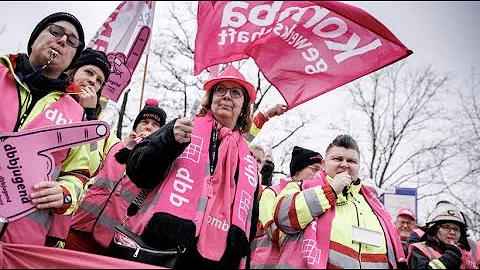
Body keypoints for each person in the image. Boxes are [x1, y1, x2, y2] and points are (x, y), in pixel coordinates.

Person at [125, 65, 260, 269]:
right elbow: (137, 171)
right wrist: (169, 141)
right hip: (165, 251)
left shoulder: (248, 162)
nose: (226, 97)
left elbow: (249, 225)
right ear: (210, 98)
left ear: (244, 107)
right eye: (220, 90)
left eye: (236, 93)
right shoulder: (183, 128)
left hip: (219, 260)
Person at [0, 12, 93, 246]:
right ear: (35, 38)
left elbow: (78, 174)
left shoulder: (77, 114)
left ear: (73, 58)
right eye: (56, 32)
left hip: (19, 243)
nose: (62, 41)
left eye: (72, 41)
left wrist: (64, 193)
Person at [272, 135, 406, 268]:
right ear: (324, 164)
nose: (345, 165)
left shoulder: (375, 206)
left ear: (359, 167)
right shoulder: (300, 187)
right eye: (337, 159)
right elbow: (282, 217)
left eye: (352, 161)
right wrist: (330, 190)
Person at [63, 99, 166, 255]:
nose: (149, 126)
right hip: (79, 227)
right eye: (144, 121)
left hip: (113, 242)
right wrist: (90, 110)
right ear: (135, 127)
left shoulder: (160, 164)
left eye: (155, 125)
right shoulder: (114, 146)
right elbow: (91, 139)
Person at [45, 47, 112, 248]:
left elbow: (90, 165)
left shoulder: (95, 122)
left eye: (99, 80)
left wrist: (89, 113)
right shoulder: (49, 94)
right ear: (73, 70)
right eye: (89, 72)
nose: (93, 81)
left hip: (53, 213)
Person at [250, 146, 323, 268]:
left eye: (321, 171)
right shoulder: (272, 193)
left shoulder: (317, 200)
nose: (319, 175)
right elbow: (273, 231)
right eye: (315, 169)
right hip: (268, 264)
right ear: (298, 170)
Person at [407, 200, 480, 269]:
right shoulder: (420, 250)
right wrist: (449, 258)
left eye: (456, 229)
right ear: (435, 230)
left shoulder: (470, 252)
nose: (452, 232)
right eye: (446, 227)